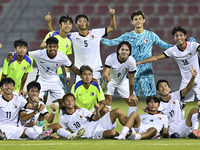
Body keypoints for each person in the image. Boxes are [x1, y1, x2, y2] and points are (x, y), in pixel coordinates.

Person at [101, 9, 173, 97]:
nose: (138, 21)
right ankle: (133, 111)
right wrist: (97, 39)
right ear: (132, 22)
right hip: (132, 71)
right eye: (135, 19)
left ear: (144, 21)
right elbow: (111, 42)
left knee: (151, 97)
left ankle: (151, 111)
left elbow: (165, 46)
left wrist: (183, 45)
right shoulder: (128, 36)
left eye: (140, 19)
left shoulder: (151, 35)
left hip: (146, 70)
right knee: (133, 97)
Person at [45, 6, 116, 83]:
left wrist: (112, 16)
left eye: (84, 21)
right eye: (80, 21)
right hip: (80, 72)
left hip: (95, 71)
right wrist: (49, 22)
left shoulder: (96, 33)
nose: (82, 22)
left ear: (88, 23)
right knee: (79, 94)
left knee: (95, 94)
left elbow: (112, 27)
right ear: (76, 25)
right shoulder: (72, 36)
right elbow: (56, 35)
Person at [137, 26, 200, 107]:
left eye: (181, 35)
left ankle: (195, 119)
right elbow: (156, 57)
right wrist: (139, 62)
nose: (179, 37)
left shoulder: (193, 46)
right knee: (179, 104)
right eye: (176, 36)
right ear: (174, 38)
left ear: (185, 36)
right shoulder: (173, 50)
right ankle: (179, 119)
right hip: (186, 80)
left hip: (198, 78)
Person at [28, 37, 80, 111]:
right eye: (50, 46)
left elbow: (72, 67)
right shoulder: (39, 54)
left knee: (63, 103)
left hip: (54, 81)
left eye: (54, 46)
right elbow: (24, 53)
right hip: (42, 80)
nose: (52, 49)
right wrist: (12, 55)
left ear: (57, 47)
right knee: (37, 103)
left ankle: (64, 121)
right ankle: (38, 122)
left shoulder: (62, 56)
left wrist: (81, 75)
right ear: (46, 47)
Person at [59, 93, 129, 139]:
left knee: (118, 111)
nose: (70, 102)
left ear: (74, 103)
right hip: (93, 133)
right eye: (67, 100)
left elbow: (96, 118)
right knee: (112, 133)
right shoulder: (63, 118)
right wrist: (56, 136)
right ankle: (127, 136)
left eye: (72, 100)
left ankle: (131, 130)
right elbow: (63, 131)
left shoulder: (82, 110)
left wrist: (97, 110)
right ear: (63, 104)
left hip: (98, 123)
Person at [155, 66, 200, 138]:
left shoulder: (175, 95)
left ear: (169, 89)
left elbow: (188, 88)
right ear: (158, 91)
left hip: (182, 124)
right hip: (171, 128)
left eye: (165, 86)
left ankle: (194, 131)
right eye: (161, 86)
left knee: (195, 110)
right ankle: (173, 135)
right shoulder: (158, 104)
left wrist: (193, 78)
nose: (164, 88)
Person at [102, 41, 137, 115]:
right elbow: (104, 74)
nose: (124, 52)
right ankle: (106, 124)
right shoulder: (110, 58)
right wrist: (106, 77)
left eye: (127, 50)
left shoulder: (132, 61)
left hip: (122, 81)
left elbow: (131, 79)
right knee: (107, 102)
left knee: (133, 101)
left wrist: (131, 94)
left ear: (130, 52)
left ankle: (132, 125)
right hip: (110, 81)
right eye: (122, 49)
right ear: (118, 51)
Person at [41, 14, 73, 93]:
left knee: (62, 96)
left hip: (58, 72)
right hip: (46, 70)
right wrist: (50, 44)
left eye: (69, 24)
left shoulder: (69, 41)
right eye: (65, 23)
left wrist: (68, 75)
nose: (67, 26)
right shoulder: (52, 34)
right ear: (60, 25)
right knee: (43, 95)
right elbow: (41, 46)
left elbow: (66, 59)